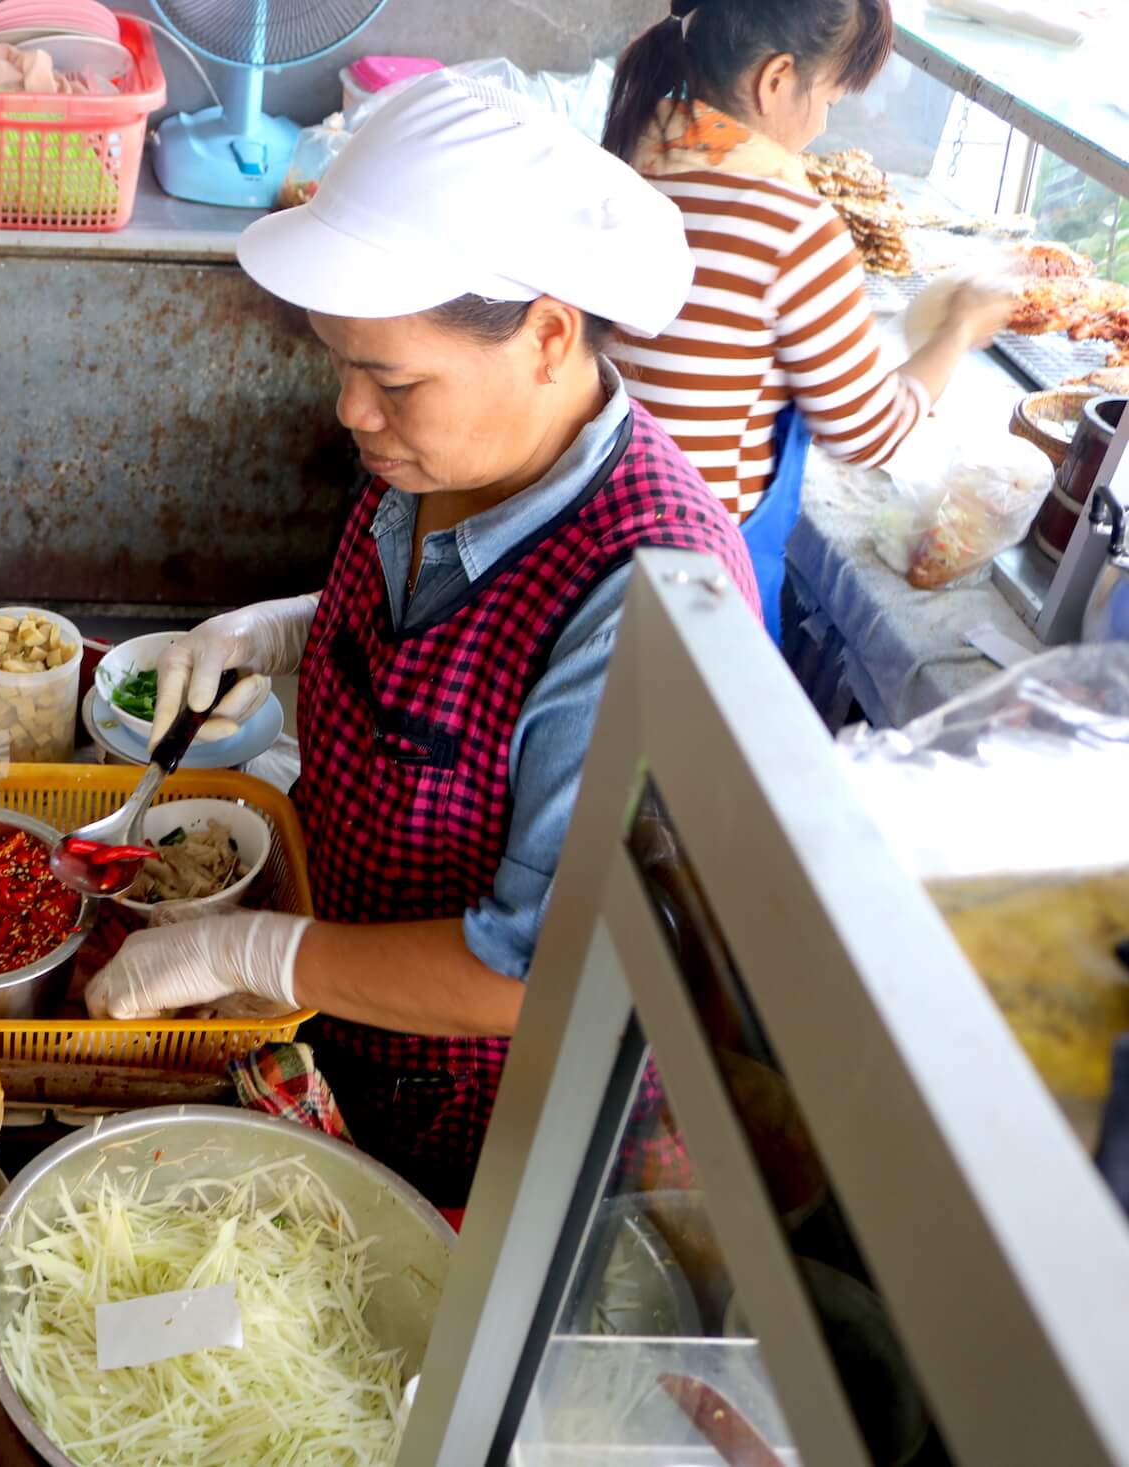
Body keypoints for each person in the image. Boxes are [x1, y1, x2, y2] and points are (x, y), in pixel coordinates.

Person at [84, 72, 762, 1207]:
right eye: (341, 365)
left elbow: (536, 966)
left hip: (498, 1121)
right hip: (356, 1034)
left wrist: (244, 953)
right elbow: (429, 652)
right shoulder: (438, 460)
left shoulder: (642, 598)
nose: (352, 411)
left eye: (390, 378)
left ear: (548, 336)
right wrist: (279, 635)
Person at [601, 0, 1017, 635]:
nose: (823, 125)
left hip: (592, 535)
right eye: (827, 97)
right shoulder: (789, 224)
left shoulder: (634, 140)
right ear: (775, 80)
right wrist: (957, 327)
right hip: (690, 575)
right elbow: (868, 433)